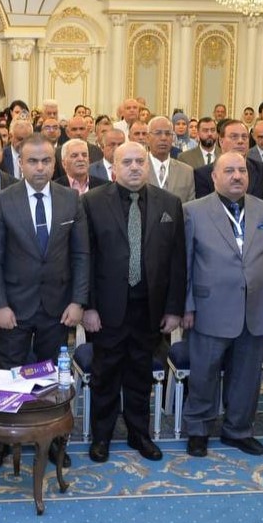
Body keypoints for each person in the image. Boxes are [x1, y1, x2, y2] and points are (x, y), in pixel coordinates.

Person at [0, 133, 88, 469]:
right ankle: (1, 439)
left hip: (58, 307)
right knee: (8, 374)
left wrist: (78, 301)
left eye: (46, 161)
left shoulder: (71, 199)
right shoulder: (3, 200)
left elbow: (81, 255)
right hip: (14, 307)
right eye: (32, 161)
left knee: (51, 378)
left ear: (54, 163)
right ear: (21, 163)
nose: (40, 167)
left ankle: (54, 439)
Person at [82, 141, 185, 463]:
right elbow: (85, 258)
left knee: (141, 376)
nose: (135, 167)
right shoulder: (92, 202)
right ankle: (102, 436)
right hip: (106, 309)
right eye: (126, 162)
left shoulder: (170, 203)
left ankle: (139, 434)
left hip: (149, 309)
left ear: (148, 165)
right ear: (113, 167)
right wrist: (88, 307)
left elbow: (177, 261)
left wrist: (173, 309)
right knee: (105, 375)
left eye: (140, 161)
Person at [182, 152, 263, 458]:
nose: (237, 176)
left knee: (247, 376)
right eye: (229, 170)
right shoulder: (193, 211)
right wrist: (187, 306)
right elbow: (185, 264)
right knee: (204, 373)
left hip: (256, 309)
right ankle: (198, 430)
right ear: (214, 177)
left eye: (242, 170)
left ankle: (238, 430)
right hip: (209, 308)